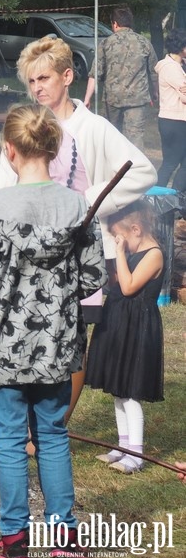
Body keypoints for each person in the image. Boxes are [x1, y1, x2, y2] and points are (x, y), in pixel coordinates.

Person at [0, 104, 107, 558]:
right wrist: (54, 295)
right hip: (56, 347)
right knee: (52, 436)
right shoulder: (77, 208)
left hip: (0, 349)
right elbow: (94, 276)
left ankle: (15, 538)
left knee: (10, 439)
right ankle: (63, 536)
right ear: (53, 151)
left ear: (9, 151)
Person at [0, 37, 157, 423]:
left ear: (68, 76)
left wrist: (91, 201)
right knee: (30, 331)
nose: (37, 88)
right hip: (30, 255)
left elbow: (143, 170)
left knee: (73, 340)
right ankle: (28, 421)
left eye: (44, 78)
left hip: (79, 255)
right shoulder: (27, 127)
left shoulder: (92, 128)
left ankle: (55, 425)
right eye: (31, 82)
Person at [85, 201, 164, 474]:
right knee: (118, 390)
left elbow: (129, 287)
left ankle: (136, 454)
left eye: (121, 237)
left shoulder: (154, 254)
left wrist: (118, 252)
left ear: (136, 229)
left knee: (130, 392)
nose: (121, 243)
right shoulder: (132, 250)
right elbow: (117, 284)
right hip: (120, 323)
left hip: (138, 327)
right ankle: (122, 446)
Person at [83, 6, 158, 150]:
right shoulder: (144, 42)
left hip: (112, 99)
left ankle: (112, 169)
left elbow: (95, 74)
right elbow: (154, 72)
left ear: (115, 23)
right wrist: (155, 92)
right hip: (137, 99)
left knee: (110, 136)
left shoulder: (106, 43)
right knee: (135, 139)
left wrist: (87, 98)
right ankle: (135, 169)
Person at [153, 29, 186, 192]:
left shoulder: (180, 66)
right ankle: (157, 200)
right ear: (181, 47)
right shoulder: (170, 68)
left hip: (178, 120)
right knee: (170, 163)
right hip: (174, 122)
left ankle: (177, 201)